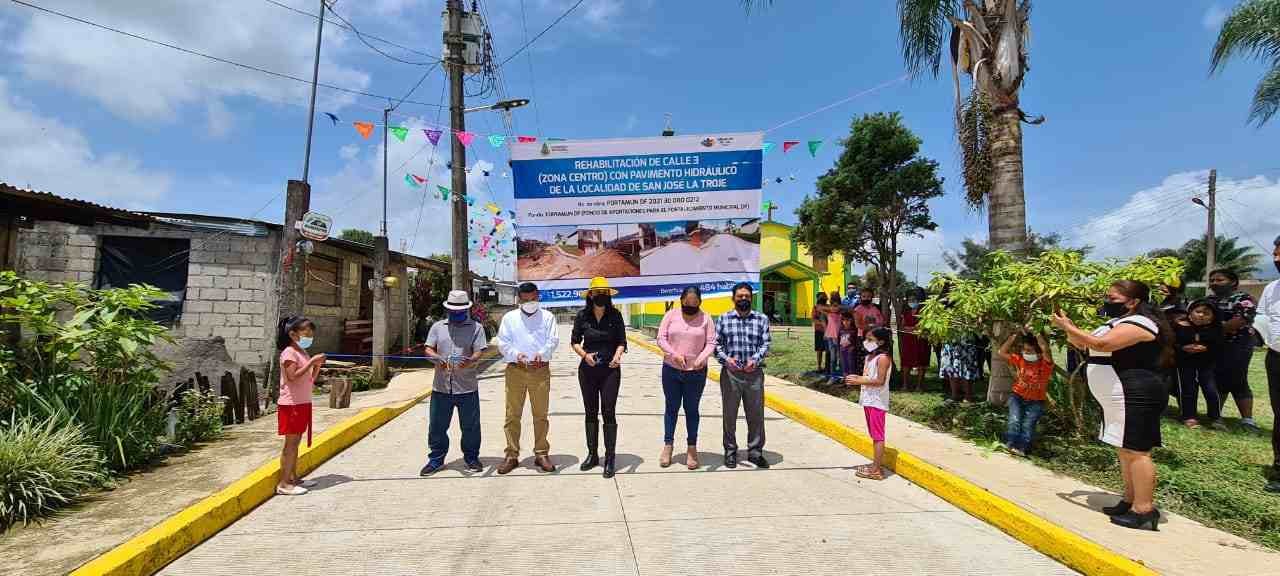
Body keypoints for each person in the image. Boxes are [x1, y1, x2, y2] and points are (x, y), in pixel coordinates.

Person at [1052, 280, 1172, 531]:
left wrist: (1070, 328)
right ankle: (1129, 500)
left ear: (1134, 301)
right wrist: (1070, 328)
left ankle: (1144, 509)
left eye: (1113, 298)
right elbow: (1083, 344)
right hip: (1117, 396)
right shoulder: (1115, 322)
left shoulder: (1141, 323)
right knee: (1124, 447)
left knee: (1137, 450)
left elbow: (1103, 345)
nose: (1108, 302)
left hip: (1134, 392)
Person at [420, 290, 488, 476]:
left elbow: (479, 351)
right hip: (441, 387)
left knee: (470, 427)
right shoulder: (437, 327)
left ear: (466, 310)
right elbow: (428, 349)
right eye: (453, 311)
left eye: (460, 311)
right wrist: (437, 359)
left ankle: (472, 458)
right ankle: (436, 460)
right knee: (437, 426)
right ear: (447, 309)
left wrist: (470, 360)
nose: (456, 314)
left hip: (467, 387)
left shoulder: (476, 328)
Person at [495, 282, 558, 475]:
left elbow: (553, 340)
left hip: (539, 371)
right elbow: (503, 342)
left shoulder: (548, 317)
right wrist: (516, 355)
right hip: (516, 370)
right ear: (519, 298)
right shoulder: (509, 318)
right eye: (526, 299)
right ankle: (512, 454)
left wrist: (543, 352)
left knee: (540, 415)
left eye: (533, 298)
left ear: (537, 296)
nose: (530, 302)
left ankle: (541, 453)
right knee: (512, 414)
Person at [572, 277, 627, 478]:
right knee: (590, 411)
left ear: (608, 295)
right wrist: (585, 356)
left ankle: (610, 458)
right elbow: (575, 341)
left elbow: (622, 341)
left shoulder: (615, 315)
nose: (600, 296)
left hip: (610, 369)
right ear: (591, 295)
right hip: (588, 369)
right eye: (597, 293)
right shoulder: (582, 316)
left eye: (604, 293)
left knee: (609, 411)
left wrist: (617, 356)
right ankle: (593, 454)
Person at [656, 286, 716, 470]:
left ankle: (692, 448)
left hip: (696, 372)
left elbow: (711, 342)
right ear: (682, 300)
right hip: (672, 370)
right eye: (688, 301)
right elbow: (661, 338)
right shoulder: (671, 315)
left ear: (700, 301)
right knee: (671, 408)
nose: (691, 304)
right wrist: (673, 354)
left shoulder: (706, 318)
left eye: (695, 301)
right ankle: (668, 446)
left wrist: (701, 358)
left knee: (692, 410)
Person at [715, 282, 772, 469]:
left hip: (754, 374)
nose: (744, 299)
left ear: (751, 297)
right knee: (729, 415)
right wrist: (726, 360)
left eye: (747, 296)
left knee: (756, 415)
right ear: (733, 298)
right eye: (740, 296)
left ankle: (755, 453)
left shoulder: (761, 319)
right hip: (731, 374)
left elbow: (766, 344)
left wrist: (755, 360)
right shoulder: (723, 318)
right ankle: (730, 451)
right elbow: (716, 345)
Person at [275, 316, 324, 496]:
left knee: (296, 442)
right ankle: (284, 482)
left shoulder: (302, 353)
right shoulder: (289, 353)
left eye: (311, 333)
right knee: (291, 444)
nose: (310, 336)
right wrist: (312, 362)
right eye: (306, 332)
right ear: (293, 334)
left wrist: (316, 365)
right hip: (291, 404)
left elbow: (309, 380)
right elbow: (292, 376)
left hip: (303, 402)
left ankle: (294, 477)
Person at [1207, 268, 1260, 433]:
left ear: (1233, 282)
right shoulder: (1210, 300)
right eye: (1212, 280)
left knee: (1238, 378)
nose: (1214, 283)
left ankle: (1248, 420)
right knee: (1217, 378)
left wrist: (1212, 330)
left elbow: (1241, 320)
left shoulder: (1244, 299)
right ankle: (1216, 416)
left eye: (1219, 280)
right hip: (1215, 346)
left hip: (1239, 345)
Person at [844, 326, 893, 480]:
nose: (867, 342)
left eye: (871, 340)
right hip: (868, 399)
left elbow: (879, 380)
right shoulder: (870, 357)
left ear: (881, 341)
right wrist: (858, 378)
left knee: (878, 436)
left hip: (877, 401)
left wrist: (859, 380)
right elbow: (868, 376)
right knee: (874, 434)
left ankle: (877, 470)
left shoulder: (883, 358)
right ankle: (874, 465)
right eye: (866, 339)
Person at [996, 331, 1053, 456]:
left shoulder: (1045, 365)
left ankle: (1022, 448)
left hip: (1036, 401)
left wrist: (1038, 334)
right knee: (1014, 420)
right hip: (1017, 396)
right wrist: (1013, 337)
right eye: (1024, 349)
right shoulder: (1020, 360)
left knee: (1028, 424)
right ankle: (1010, 444)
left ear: (1038, 352)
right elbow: (1001, 352)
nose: (1026, 352)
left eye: (1030, 350)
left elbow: (1046, 350)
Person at [1173, 299, 1224, 429]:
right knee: (1187, 390)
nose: (1201, 315)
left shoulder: (1216, 329)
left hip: (1207, 365)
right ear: (1190, 313)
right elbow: (1172, 343)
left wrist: (1207, 348)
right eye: (1198, 311)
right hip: (1185, 364)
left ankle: (1216, 417)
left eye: (1206, 313)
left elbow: (1220, 346)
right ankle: (1189, 417)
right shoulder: (1179, 325)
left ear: (1213, 316)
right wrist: (1183, 348)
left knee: (1211, 390)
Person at [1258, 236, 1280, 493]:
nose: (1276, 260)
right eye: (1275, 255)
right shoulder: (1272, 288)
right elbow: (1263, 319)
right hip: (1275, 357)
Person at [899, 288, 932, 391]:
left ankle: (919, 386)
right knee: (906, 362)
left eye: (914, 299)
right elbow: (902, 326)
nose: (912, 302)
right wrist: (912, 328)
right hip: (908, 340)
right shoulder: (905, 311)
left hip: (921, 340)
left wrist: (911, 328)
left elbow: (925, 327)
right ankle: (905, 385)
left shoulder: (925, 311)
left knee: (921, 362)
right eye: (910, 299)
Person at [850, 287, 885, 379]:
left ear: (872, 297)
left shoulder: (876, 309)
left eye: (868, 296)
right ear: (860, 297)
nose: (866, 298)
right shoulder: (857, 309)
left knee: (874, 357)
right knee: (863, 359)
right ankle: (862, 379)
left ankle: (872, 377)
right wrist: (871, 326)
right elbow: (858, 325)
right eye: (864, 296)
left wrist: (875, 326)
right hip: (863, 337)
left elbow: (881, 322)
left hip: (876, 338)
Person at [825, 290, 843, 384]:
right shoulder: (828, 313)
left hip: (839, 338)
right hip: (830, 338)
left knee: (840, 358)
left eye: (836, 306)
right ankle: (833, 376)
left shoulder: (841, 315)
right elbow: (820, 308)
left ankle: (840, 376)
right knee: (833, 359)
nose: (834, 308)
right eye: (832, 306)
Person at [811, 293, 829, 376]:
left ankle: (827, 367)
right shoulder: (815, 307)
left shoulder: (828, 307)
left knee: (828, 350)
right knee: (819, 349)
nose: (823, 298)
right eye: (821, 297)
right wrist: (822, 323)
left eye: (824, 296)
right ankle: (819, 366)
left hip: (829, 331)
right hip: (819, 331)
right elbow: (814, 319)